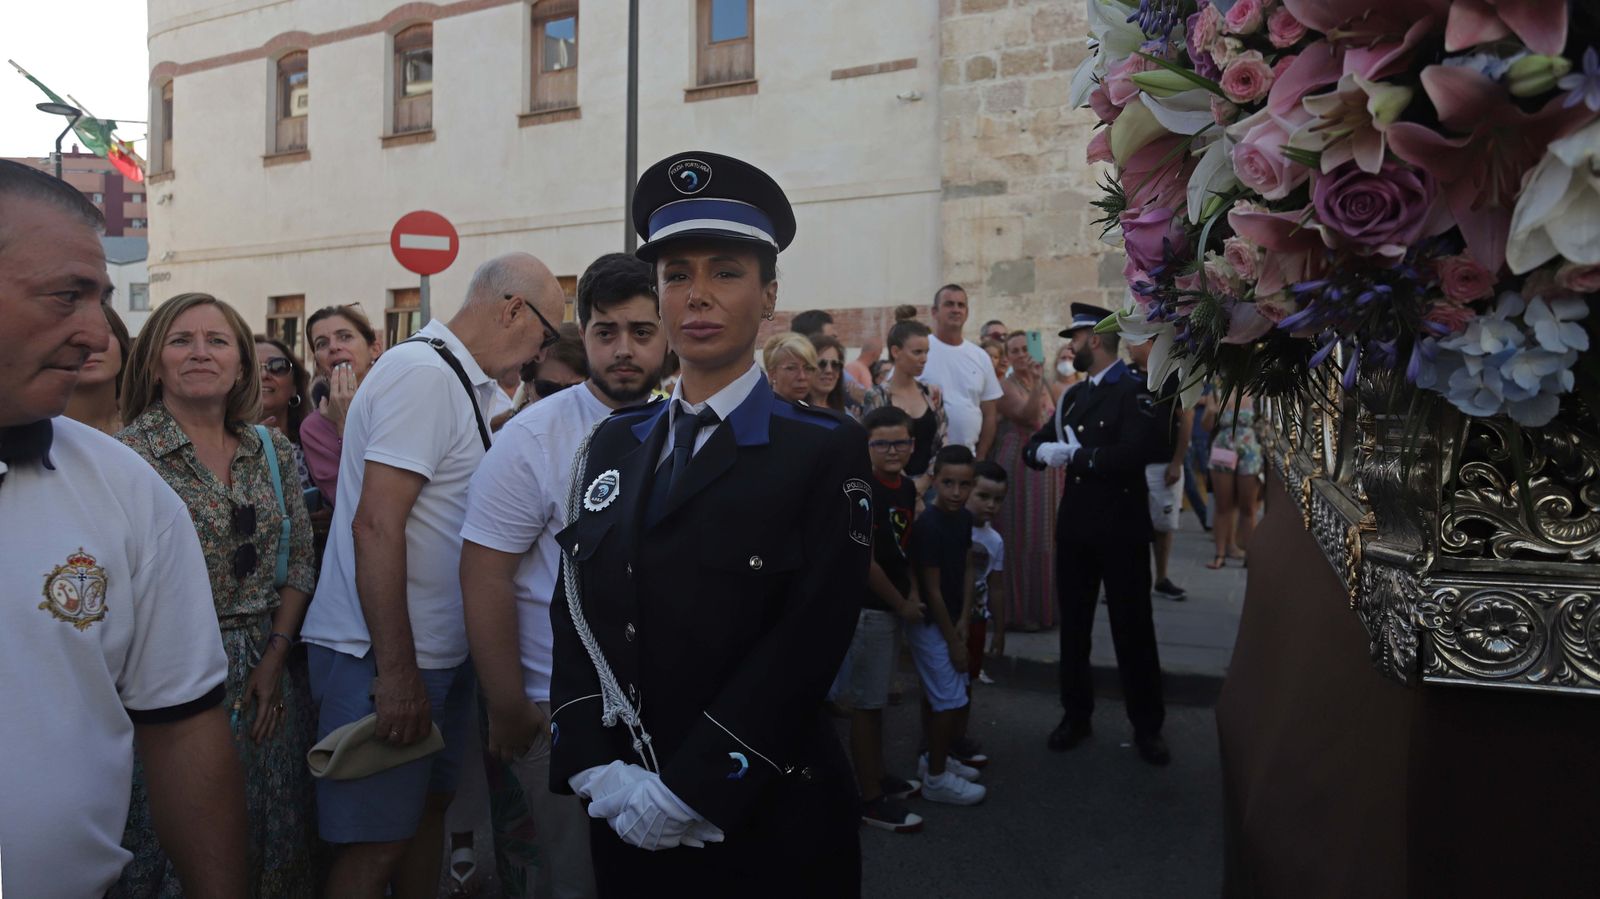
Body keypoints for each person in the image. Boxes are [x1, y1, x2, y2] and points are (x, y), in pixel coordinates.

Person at [548, 151, 870, 897]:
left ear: (769, 297)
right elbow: (573, 606)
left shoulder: (820, 448)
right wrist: (593, 759)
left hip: (764, 816)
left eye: (724, 272)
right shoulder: (615, 443)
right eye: (676, 275)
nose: (697, 296)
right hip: (626, 808)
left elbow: (811, 635)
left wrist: (691, 787)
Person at [0, 157, 246, 899]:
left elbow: (185, 733)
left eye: (101, 298)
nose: (96, 330)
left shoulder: (128, 490)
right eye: (67, 296)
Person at [300, 253, 564, 899]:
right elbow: (377, 526)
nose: (540, 354)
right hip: (383, 659)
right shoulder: (422, 374)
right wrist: (397, 673)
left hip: (428, 657)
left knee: (423, 822)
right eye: (547, 336)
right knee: (375, 846)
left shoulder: (456, 379)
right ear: (512, 310)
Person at [461, 251, 669, 899]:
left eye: (641, 331)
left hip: (668, 706)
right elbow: (485, 572)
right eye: (607, 332)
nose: (624, 349)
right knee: (568, 879)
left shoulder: (688, 429)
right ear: (585, 334)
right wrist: (507, 704)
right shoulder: (534, 438)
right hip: (557, 709)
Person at [114, 292, 319, 896]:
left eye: (218, 341)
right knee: (175, 849)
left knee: (274, 838)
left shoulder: (274, 451)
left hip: (268, 676)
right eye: (181, 340)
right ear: (154, 361)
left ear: (240, 364)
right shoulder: (126, 457)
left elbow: (300, 561)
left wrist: (275, 657)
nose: (200, 352)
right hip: (164, 680)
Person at [1026, 303, 1169, 766]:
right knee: (1075, 630)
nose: (1069, 346)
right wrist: (1042, 451)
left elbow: (1139, 450)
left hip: (1121, 528)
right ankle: (1076, 714)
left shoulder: (1133, 389)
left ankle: (1148, 727)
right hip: (1077, 529)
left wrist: (1078, 457)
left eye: (1076, 337)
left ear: (1095, 339)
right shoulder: (1072, 397)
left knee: (1133, 631)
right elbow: (1038, 446)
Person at [842, 406, 928, 834]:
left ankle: (877, 776)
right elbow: (867, 562)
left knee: (875, 702)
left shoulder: (907, 487)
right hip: (869, 610)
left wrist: (911, 593)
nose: (893, 451)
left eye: (901, 442)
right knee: (866, 705)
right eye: (882, 443)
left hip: (892, 606)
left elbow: (902, 549)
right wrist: (901, 604)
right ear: (867, 446)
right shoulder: (863, 490)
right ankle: (870, 797)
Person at [907, 445, 986, 805]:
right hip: (930, 623)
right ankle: (937, 779)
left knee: (940, 695)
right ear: (935, 480)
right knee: (949, 699)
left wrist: (965, 618)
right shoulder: (929, 526)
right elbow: (933, 590)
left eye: (965, 484)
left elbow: (968, 566)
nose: (957, 492)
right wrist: (953, 639)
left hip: (953, 619)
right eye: (949, 483)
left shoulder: (964, 519)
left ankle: (933, 760)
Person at [990, 331, 1060, 632]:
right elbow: (1030, 417)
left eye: (1025, 349)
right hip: (1019, 462)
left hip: (1045, 465)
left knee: (1046, 533)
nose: (1021, 355)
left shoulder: (1041, 383)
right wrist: (1038, 381)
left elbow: (1055, 418)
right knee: (1021, 534)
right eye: (1015, 351)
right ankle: (1019, 612)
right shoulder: (1005, 386)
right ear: (1008, 356)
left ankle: (1045, 609)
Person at [1128, 337, 1194, 600]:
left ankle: (1162, 577)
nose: (1129, 347)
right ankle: (1133, 579)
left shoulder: (1171, 376)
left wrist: (1177, 462)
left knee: (1163, 525)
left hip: (1163, 463)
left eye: (1134, 342)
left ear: (1150, 344)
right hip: (1132, 464)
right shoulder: (1128, 376)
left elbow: (1186, 419)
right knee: (1131, 525)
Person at [300, 304, 383, 509]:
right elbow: (351, 500)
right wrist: (344, 421)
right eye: (322, 343)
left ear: (374, 349)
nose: (334, 347)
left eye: (345, 337)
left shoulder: (400, 401)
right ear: (318, 364)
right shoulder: (314, 429)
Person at [862, 312, 947, 491]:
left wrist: (926, 481)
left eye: (926, 352)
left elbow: (942, 441)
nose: (924, 358)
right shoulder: (877, 396)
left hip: (930, 488)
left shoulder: (932, 393)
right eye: (917, 352)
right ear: (895, 351)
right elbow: (872, 445)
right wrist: (908, 488)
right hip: (889, 488)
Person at [920, 285, 1002, 458]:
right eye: (949, 304)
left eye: (961, 305)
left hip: (968, 460)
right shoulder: (918, 350)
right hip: (924, 459)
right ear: (935, 312)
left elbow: (989, 413)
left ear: (967, 312)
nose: (956, 310)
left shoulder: (981, 357)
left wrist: (980, 458)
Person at [965, 459, 1008, 698]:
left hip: (977, 619)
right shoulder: (949, 526)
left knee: (968, 678)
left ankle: (957, 733)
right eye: (983, 496)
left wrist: (999, 632)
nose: (991, 505)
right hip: (947, 616)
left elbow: (996, 587)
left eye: (998, 499)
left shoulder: (995, 540)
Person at [1204, 392, 1261, 569]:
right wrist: (1211, 412)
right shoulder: (1218, 390)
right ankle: (1220, 554)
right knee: (1223, 506)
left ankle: (1250, 556)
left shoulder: (1259, 392)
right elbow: (1206, 426)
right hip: (1223, 448)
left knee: (1248, 507)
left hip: (1250, 451)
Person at [257, 335, 316, 491]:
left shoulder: (317, 444)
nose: (263, 375)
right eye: (251, 367)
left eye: (277, 366)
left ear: (294, 386)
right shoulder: (220, 449)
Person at [63, 301, 129, 434]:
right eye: (74, 335)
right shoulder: (32, 434)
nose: (91, 345)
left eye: (102, 331)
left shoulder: (153, 428)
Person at [762, 330, 817, 404]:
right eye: (791, 368)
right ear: (772, 374)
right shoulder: (759, 411)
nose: (802, 377)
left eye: (808, 368)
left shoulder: (812, 412)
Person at [807, 333, 854, 415]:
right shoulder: (792, 412)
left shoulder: (846, 415)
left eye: (835, 364)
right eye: (822, 363)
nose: (829, 370)